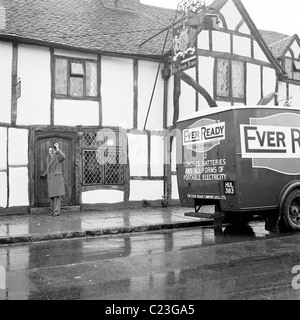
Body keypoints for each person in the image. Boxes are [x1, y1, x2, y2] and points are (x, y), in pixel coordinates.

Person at [41, 142, 66, 217]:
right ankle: (52, 211)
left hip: (57, 178)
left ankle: (56, 212)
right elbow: (48, 168)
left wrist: (58, 149)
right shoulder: (47, 158)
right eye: (49, 151)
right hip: (50, 179)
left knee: (57, 196)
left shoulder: (58, 157)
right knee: (51, 196)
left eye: (52, 151)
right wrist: (44, 174)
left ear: (55, 151)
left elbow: (64, 156)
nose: (51, 152)